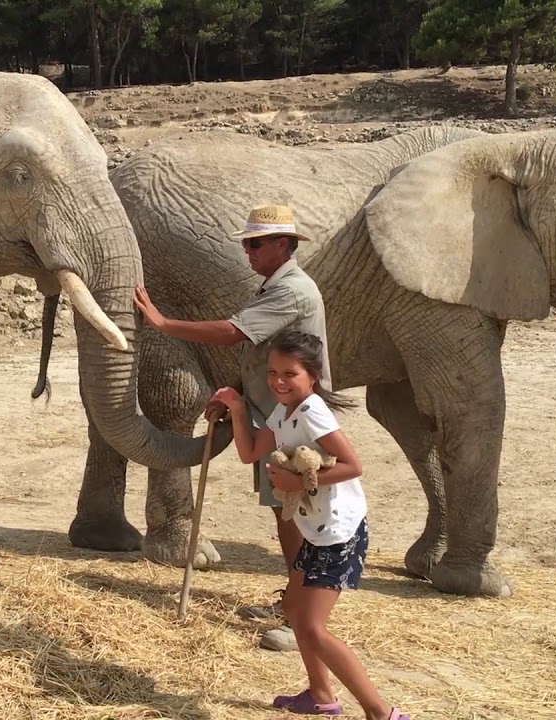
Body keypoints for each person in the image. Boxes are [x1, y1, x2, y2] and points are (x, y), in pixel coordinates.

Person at [134, 203, 330, 652]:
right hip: (278, 415)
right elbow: (265, 355)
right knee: (287, 512)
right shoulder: (275, 288)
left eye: (255, 243)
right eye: (245, 243)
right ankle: (295, 602)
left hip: (297, 422)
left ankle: (305, 619)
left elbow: (231, 333)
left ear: (283, 244)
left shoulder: (293, 291)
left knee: (300, 516)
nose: (247, 251)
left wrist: (163, 323)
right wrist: (236, 393)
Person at [210, 330, 407, 720]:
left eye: (290, 374)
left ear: (311, 376)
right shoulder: (281, 413)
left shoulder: (314, 411)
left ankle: (381, 712)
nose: (279, 382)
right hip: (314, 530)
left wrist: (300, 482)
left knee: (314, 628)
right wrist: (235, 407)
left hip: (338, 532)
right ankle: (321, 697)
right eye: (272, 373)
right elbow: (250, 452)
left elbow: (354, 465)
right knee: (296, 614)